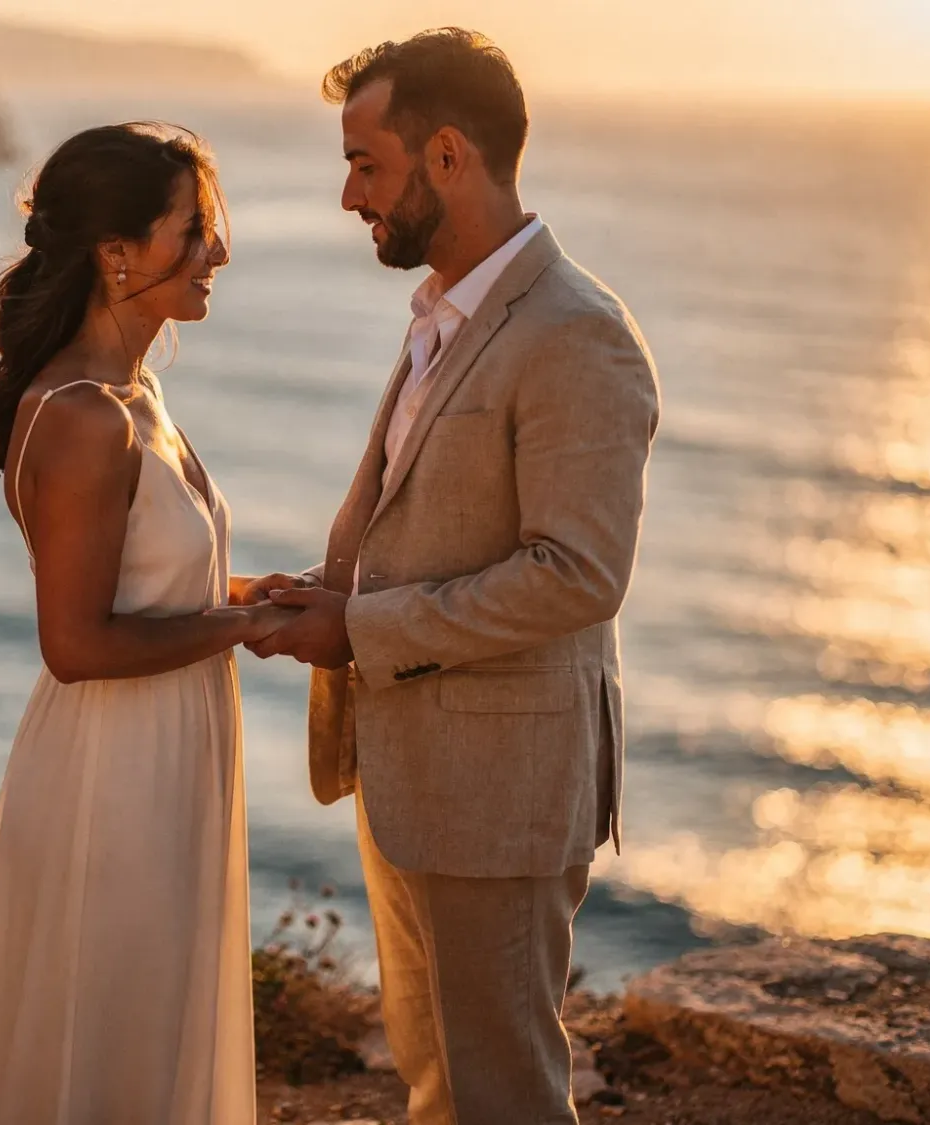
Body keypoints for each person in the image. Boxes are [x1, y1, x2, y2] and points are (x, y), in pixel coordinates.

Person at [242, 29, 663, 1125]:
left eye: (363, 164)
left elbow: (576, 575)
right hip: (412, 773)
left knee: (502, 1093)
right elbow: (426, 520)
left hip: (501, 793)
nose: (347, 197)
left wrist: (360, 627)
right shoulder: (443, 314)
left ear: (442, 157)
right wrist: (327, 594)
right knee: (435, 1079)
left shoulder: (575, 335)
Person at [0, 122, 287, 1125]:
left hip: (167, 748)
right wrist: (230, 629)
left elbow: (150, 584)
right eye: (195, 229)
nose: (216, 252)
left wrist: (249, 595)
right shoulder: (86, 417)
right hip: (115, 772)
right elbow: (77, 644)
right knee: (112, 1030)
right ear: (115, 250)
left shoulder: (139, 393)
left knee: (152, 1021)